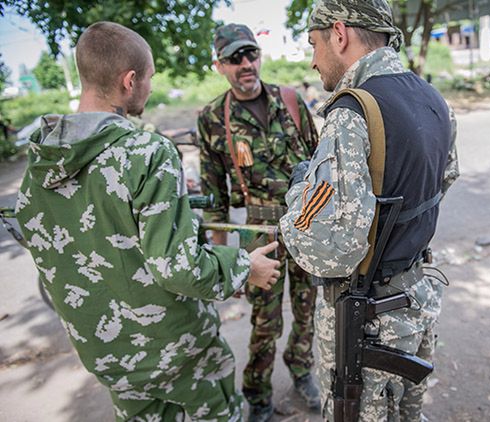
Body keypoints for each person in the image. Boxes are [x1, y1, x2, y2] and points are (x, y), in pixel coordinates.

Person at [15, 21, 281, 422]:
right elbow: (177, 268)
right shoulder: (146, 151)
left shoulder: (39, 165)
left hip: (108, 359)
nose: (152, 88)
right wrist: (246, 267)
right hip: (177, 352)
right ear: (130, 80)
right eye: (151, 78)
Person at [279, 1, 459, 421]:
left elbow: (327, 250)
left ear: (339, 34)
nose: (312, 61)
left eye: (314, 44)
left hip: (369, 319)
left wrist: (297, 195)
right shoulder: (432, 97)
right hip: (414, 298)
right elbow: (444, 179)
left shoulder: (352, 111)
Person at [197, 23, 321, 421]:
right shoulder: (214, 118)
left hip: (307, 220)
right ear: (220, 65)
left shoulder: (291, 100)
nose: (246, 64)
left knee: (307, 307)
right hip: (260, 232)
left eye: (251, 54)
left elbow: (322, 164)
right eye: (235, 58)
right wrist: (222, 260)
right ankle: (259, 395)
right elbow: (213, 194)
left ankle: (302, 370)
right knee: (265, 321)